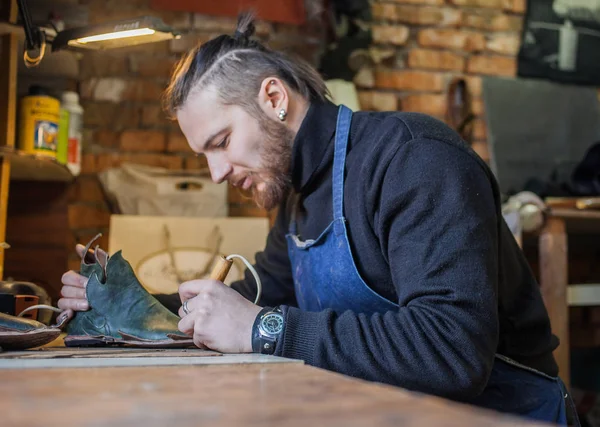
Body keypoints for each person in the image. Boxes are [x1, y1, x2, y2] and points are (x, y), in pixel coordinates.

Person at [58, 11, 579, 426]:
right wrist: (132, 302)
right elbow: (264, 296)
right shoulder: (296, 193)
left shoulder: (414, 160)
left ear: (274, 98)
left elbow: (451, 350)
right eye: (204, 155)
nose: (216, 172)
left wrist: (264, 330)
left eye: (221, 143)